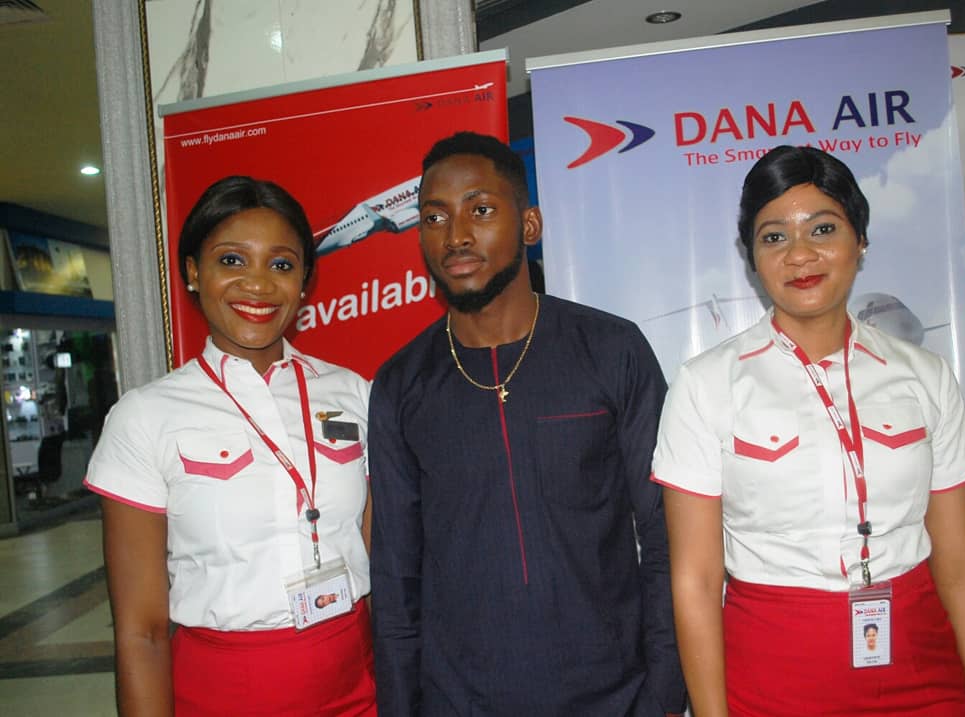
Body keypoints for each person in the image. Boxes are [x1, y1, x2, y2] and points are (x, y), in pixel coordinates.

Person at [653, 146, 965, 716]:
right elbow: (694, 579)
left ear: (859, 240)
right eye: (773, 237)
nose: (800, 255)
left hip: (921, 668)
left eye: (823, 228)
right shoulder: (706, 385)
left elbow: (964, 567)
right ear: (750, 256)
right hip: (771, 679)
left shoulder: (924, 376)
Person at [368, 132, 686, 716]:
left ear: (530, 225)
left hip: (615, 698)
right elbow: (395, 580)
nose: (456, 235)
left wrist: (664, 697)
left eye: (480, 210)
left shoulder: (612, 350)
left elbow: (669, 541)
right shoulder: (399, 385)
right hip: (458, 702)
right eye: (434, 217)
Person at [85, 176, 376, 716]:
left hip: (357, 680)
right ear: (194, 272)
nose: (259, 285)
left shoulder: (354, 394)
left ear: (306, 281)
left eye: (282, 264)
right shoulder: (145, 417)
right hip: (225, 690)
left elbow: (375, 550)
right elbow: (142, 632)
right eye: (232, 261)